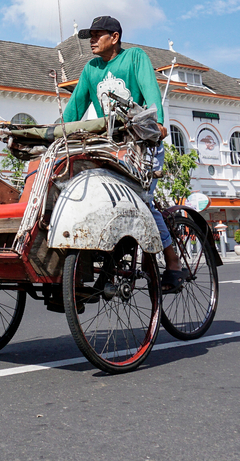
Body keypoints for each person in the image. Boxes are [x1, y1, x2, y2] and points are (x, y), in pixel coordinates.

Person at [62, 15, 186, 293]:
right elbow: (74, 108)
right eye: (90, 36)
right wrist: (58, 134)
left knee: (142, 201)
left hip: (144, 142)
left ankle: (173, 261)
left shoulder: (135, 58)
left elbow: (151, 91)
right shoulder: (91, 68)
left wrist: (159, 123)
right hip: (112, 148)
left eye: (97, 35)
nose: (91, 41)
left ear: (114, 37)